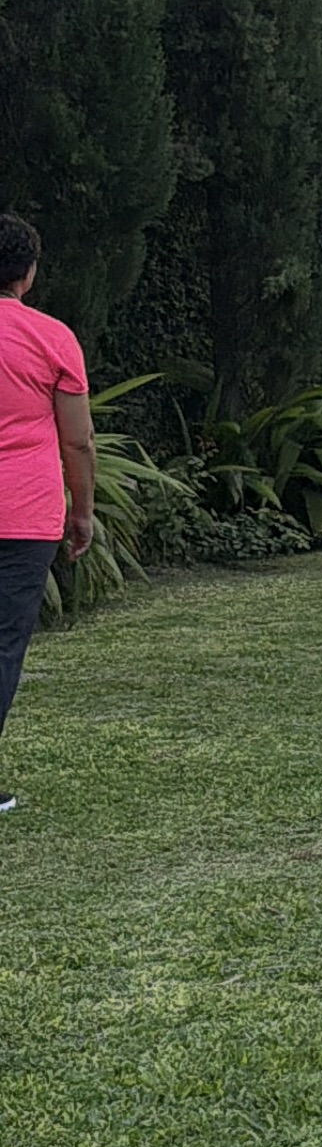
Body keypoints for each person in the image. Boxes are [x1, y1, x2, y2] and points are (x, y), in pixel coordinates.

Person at [0, 213, 94, 820]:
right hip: (25, 512)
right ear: (28, 275)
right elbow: (78, 440)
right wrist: (82, 512)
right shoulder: (51, 338)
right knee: (4, 644)